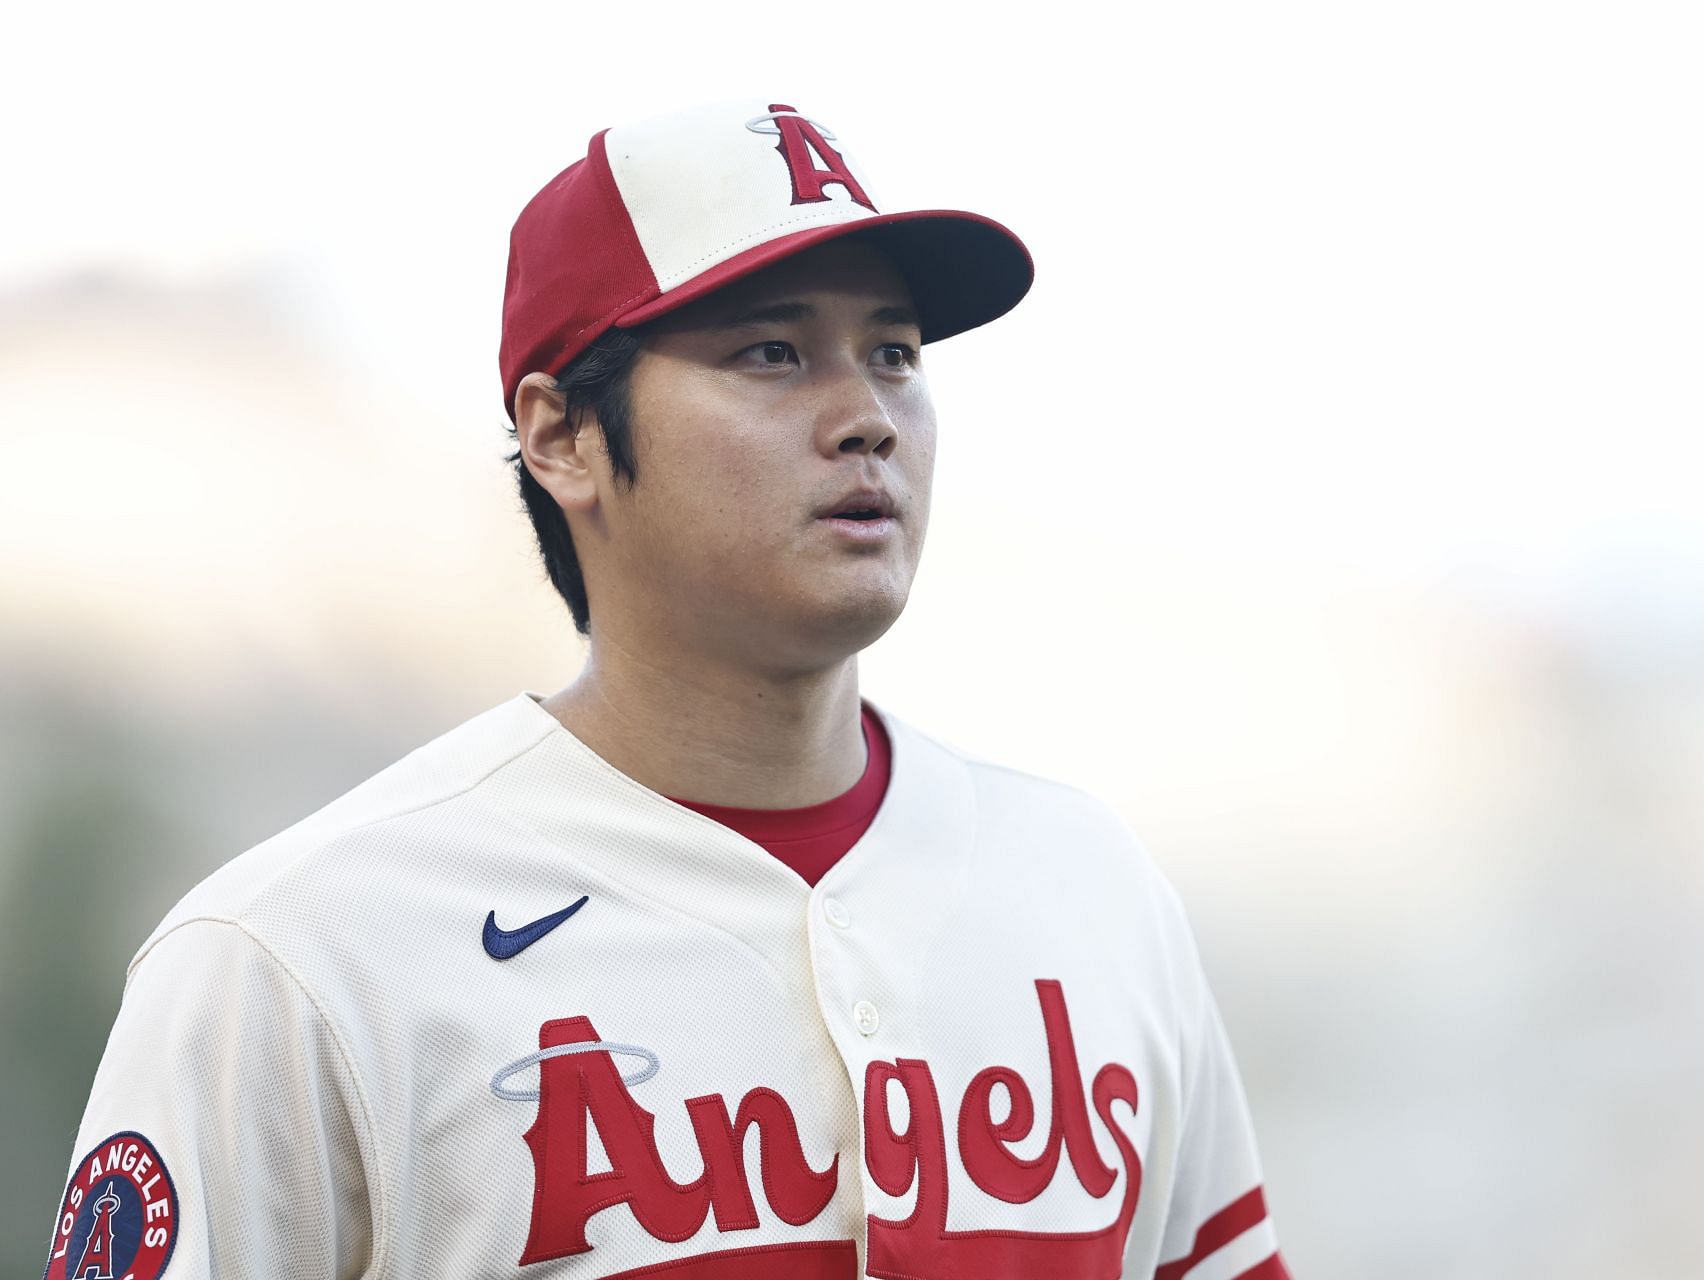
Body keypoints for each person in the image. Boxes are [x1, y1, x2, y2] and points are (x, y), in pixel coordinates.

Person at [44, 101, 1292, 1280]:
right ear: (561, 435)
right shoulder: (300, 953)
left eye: (895, 353)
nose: (867, 415)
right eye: (771, 350)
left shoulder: (1093, 888)